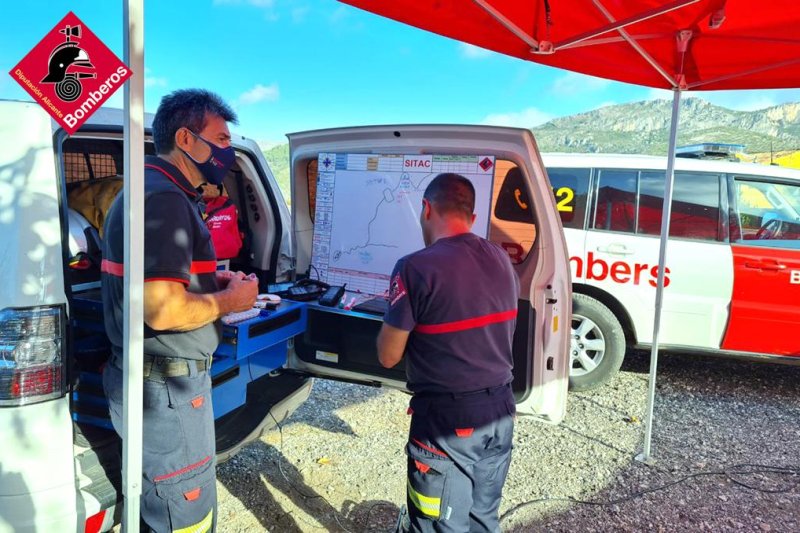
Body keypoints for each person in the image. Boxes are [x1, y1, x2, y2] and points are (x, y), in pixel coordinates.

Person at [101, 89, 258, 532]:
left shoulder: (147, 189)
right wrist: (233, 301)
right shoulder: (166, 200)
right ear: (187, 140)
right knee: (184, 510)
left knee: (160, 499)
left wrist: (213, 282)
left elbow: (155, 281)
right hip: (166, 391)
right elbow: (163, 311)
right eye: (222, 139)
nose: (227, 151)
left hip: (149, 382)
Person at [377, 173, 520, 532]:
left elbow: (388, 356)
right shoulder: (501, 259)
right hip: (500, 412)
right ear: (471, 217)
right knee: (483, 518)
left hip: (447, 421)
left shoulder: (413, 268)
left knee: (437, 522)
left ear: (426, 208)